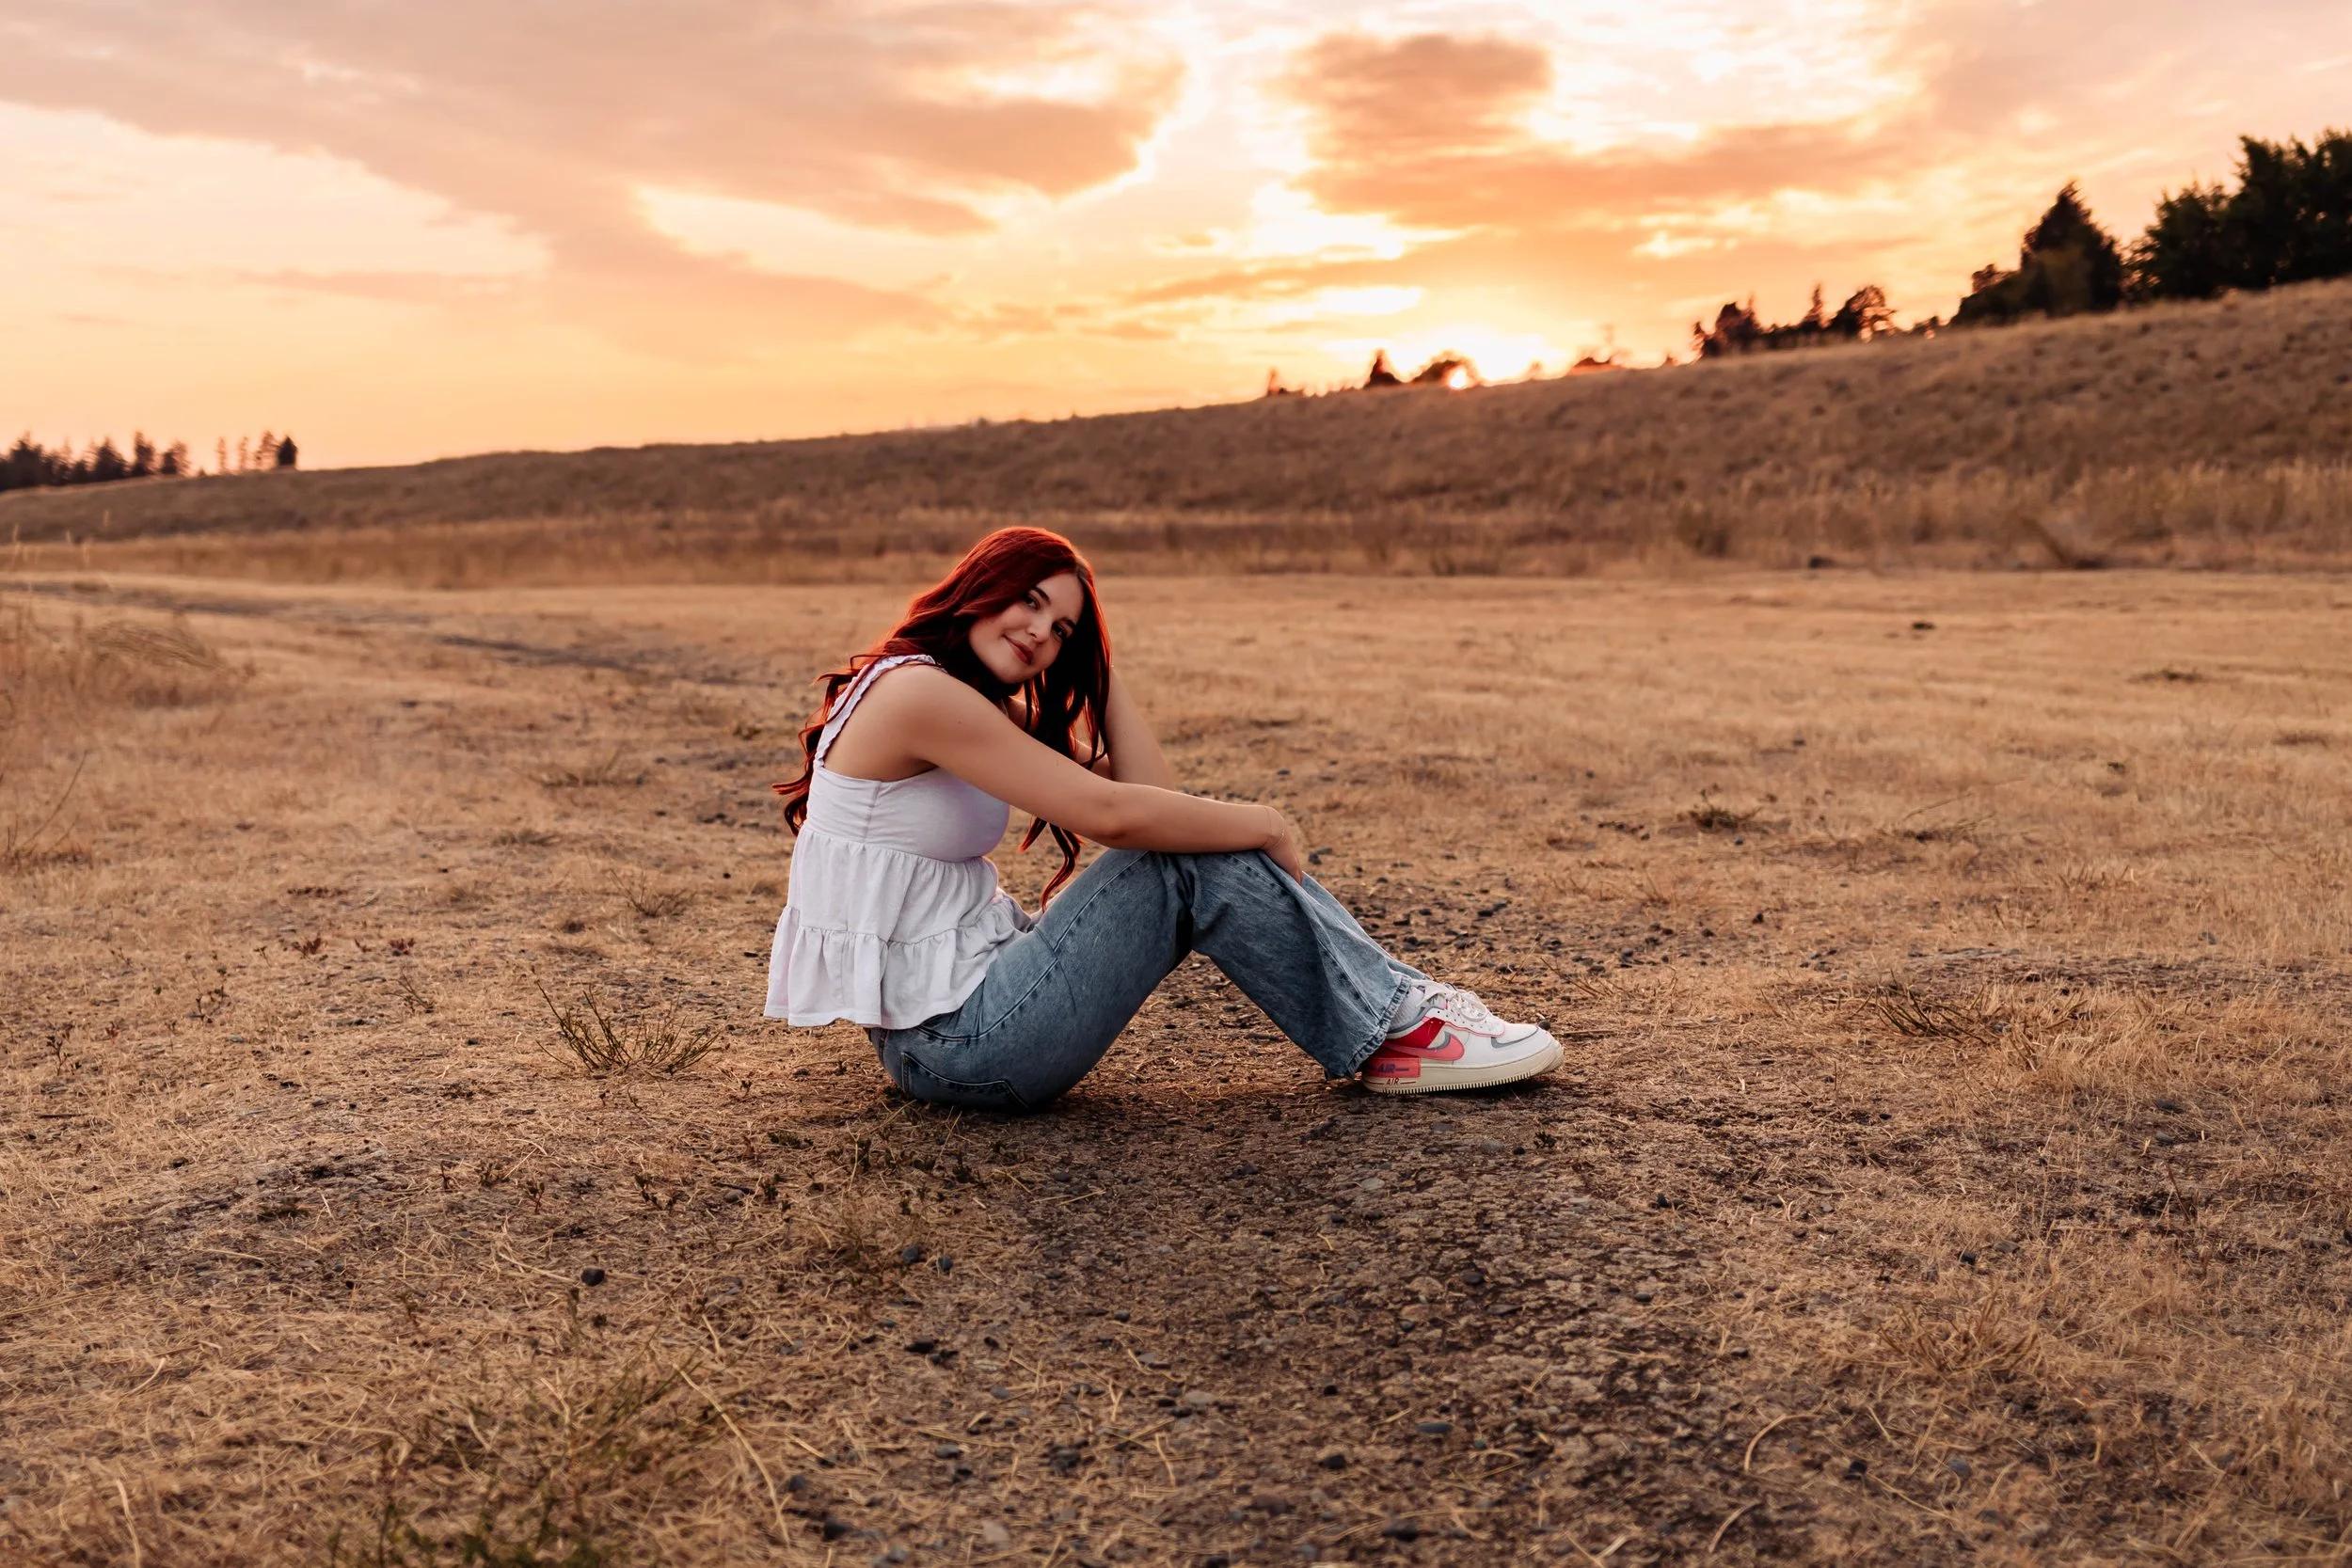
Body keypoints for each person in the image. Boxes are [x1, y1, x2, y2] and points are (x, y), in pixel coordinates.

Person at [765, 526, 1561, 1109]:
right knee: (1185, 852)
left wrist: (1098, 671)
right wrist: (1267, 823)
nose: (1040, 631)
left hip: (960, 1028)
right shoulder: (919, 696)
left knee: (1188, 845)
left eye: (1062, 629)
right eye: (1030, 601)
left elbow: (1157, 797)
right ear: (978, 584)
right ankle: (1397, 1029)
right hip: (961, 1044)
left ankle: (1400, 1013)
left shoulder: (969, 702)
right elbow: (1116, 814)